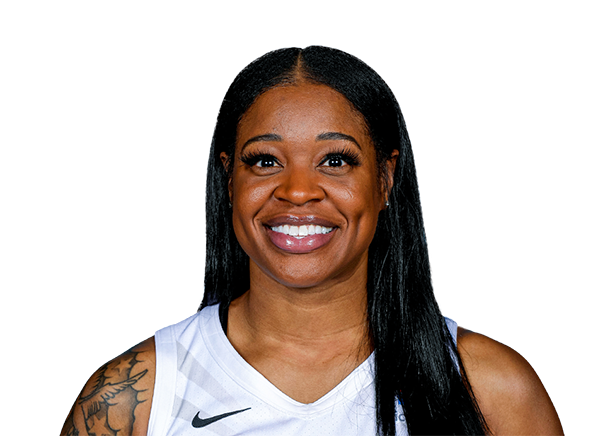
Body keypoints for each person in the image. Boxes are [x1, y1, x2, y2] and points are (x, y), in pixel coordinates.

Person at [60, 46, 563, 436]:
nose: (298, 191)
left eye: (336, 160)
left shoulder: (492, 388)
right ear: (229, 178)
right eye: (265, 161)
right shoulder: (133, 399)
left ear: (385, 180)